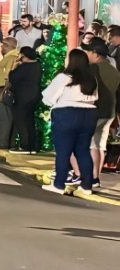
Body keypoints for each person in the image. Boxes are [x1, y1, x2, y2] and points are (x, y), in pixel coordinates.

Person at [42, 50, 98, 197]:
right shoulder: (92, 79)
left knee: (63, 151)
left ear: (71, 61)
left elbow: (47, 98)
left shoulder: (63, 77)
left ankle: (59, 184)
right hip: (89, 114)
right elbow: (95, 98)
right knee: (83, 151)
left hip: (66, 114)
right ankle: (87, 187)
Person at [81, 40, 119, 187]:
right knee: (100, 145)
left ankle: (88, 176)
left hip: (95, 110)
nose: (87, 54)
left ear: (96, 54)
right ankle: (96, 177)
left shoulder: (92, 69)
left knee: (90, 145)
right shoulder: (113, 70)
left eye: (88, 51)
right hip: (110, 111)